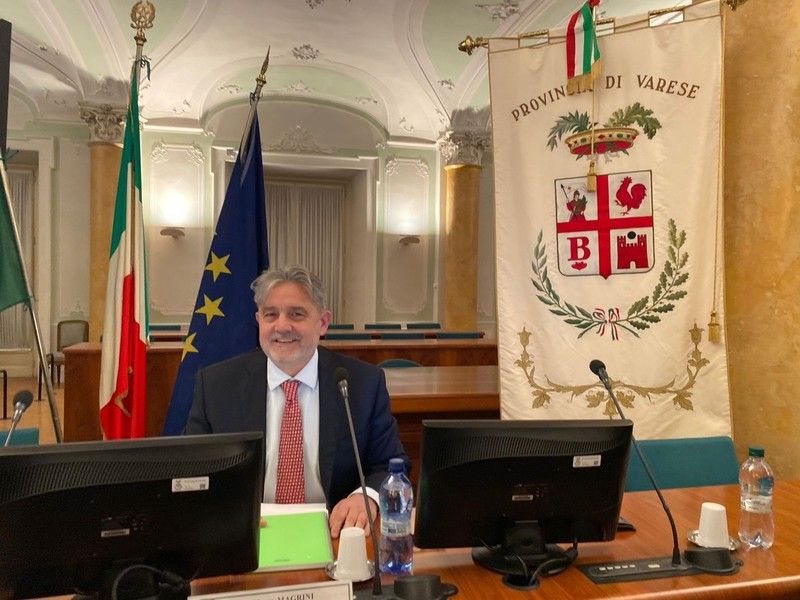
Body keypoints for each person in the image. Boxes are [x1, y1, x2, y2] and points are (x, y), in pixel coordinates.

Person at [184, 265, 408, 538]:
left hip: (336, 533)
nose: (282, 326)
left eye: (296, 314)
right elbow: (192, 468)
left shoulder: (362, 383)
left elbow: (389, 464)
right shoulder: (217, 385)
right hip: (246, 533)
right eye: (271, 314)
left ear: (323, 322)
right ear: (259, 320)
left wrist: (367, 497)